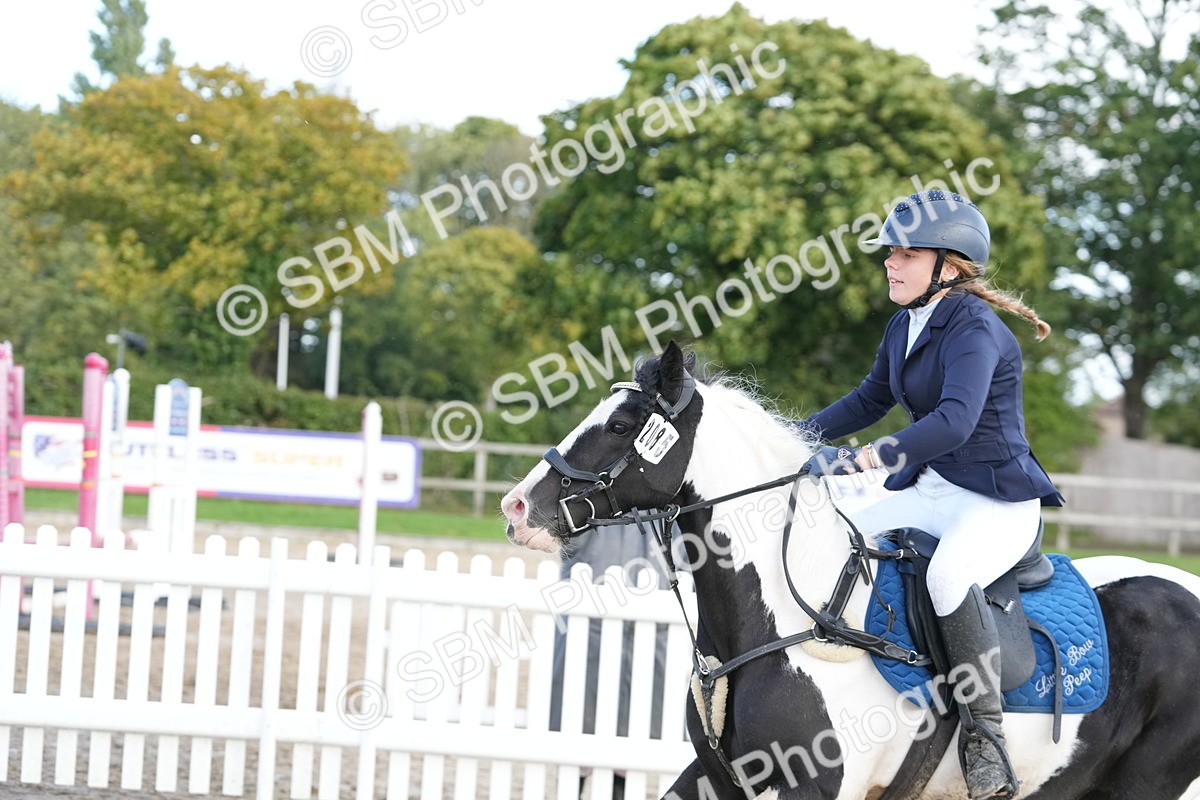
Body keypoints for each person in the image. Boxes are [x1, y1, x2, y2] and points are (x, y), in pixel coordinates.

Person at [797, 190, 1063, 799]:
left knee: (947, 578)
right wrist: (792, 437)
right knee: (839, 526)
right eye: (890, 251)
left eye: (907, 253)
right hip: (932, 487)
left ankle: (984, 737)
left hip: (995, 500)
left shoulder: (976, 329)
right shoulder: (905, 323)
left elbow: (953, 423)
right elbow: (869, 400)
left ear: (948, 264)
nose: (890, 263)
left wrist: (865, 457)